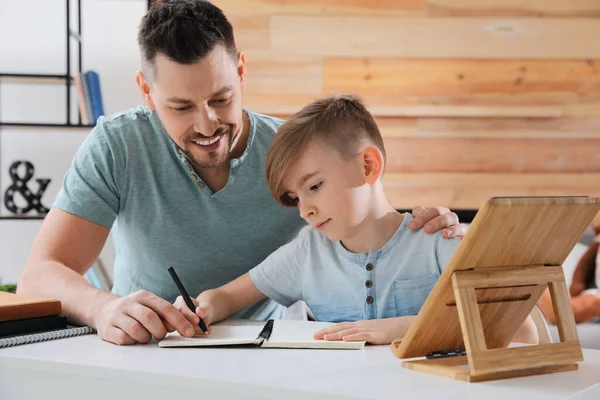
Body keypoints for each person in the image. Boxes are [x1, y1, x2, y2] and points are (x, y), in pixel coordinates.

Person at [17, 0, 466, 346]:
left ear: (242, 71)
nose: (208, 124)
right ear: (146, 92)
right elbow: (39, 274)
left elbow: (364, 214)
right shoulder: (117, 145)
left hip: (269, 355)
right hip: (149, 350)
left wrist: (427, 228)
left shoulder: (293, 153)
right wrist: (102, 308)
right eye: (181, 107)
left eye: (220, 98)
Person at [174, 94, 538, 345]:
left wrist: (401, 328)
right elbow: (225, 296)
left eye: (314, 185)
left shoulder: (437, 241)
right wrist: (202, 307)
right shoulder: (307, 253)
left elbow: (522, 331)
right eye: (295, 198)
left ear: (368, 165)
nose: (305, 209)